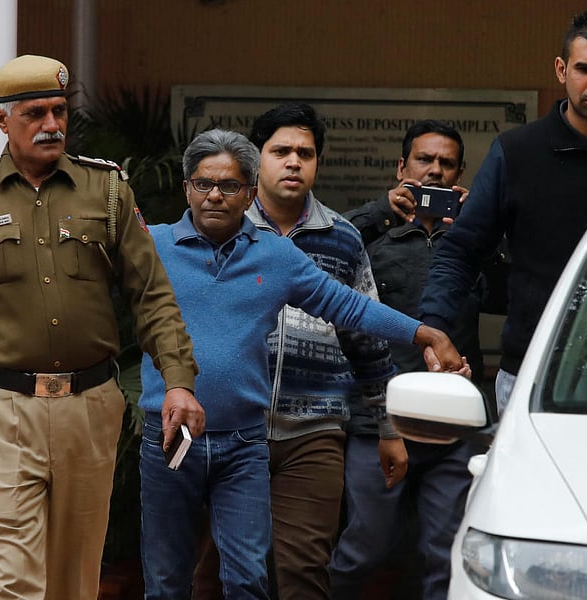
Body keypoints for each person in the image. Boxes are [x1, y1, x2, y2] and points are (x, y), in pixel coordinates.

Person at [139, 128, 467, 600]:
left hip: (243, 444)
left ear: (249, 192)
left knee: (248, 580)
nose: (214, 195)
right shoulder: (151, 246)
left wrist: (425, 333)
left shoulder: (275, 256)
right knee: (167, 582)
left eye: (229, 185)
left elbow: (350, 307)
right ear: (186, 187)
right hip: (169, 437)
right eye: (203, 183)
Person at [0, 54, 202, 600]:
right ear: (2, 120)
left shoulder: (107, 190)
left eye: (58, 110)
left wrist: (178, 380)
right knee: (11, 579)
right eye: (34, 114)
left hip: (89, 407)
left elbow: (151, 296)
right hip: (0, 411)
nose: (51, 124)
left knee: (75, 576)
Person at [394, 9, 587, 411]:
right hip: (530, 368)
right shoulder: (517, 152)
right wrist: (434, 330)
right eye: (584, 69)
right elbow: (461, 251)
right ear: (561, 69)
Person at [193, 103, 399, 600]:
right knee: (207, 572)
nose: (293, 162)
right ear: (255, 160)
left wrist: (388, 428)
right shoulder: (219, 229)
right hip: (225, 425)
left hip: (313, 431)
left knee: (303, 573)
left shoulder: (343, 238)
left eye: (305, 153)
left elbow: (367, 339)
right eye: (280, 151)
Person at [329, 120, 485, 600]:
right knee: (365, 548)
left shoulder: (473, 242)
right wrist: (382, 210)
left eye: (446, 163)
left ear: (459, 173)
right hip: (378, 420)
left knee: (444, 555)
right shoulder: (372, 234)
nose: (435, 170)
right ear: (402, 167)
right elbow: (318, 249)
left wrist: (480, 224)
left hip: (453, 423)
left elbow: (522, 284)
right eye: (424, 160)